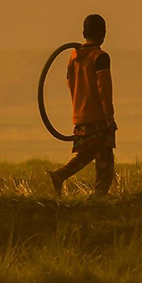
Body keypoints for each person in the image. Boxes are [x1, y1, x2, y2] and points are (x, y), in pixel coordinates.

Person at [49, 14, 116, 197]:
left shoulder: (74, 56)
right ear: (104, 34)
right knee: (105, 157)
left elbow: (70, 83)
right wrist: (108, 114)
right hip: (98, 116)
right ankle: (99, 196)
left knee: (87, 152)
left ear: (83, 33)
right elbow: (104, 89)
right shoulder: (100, 57)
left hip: (80, 115)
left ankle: (59, 175)